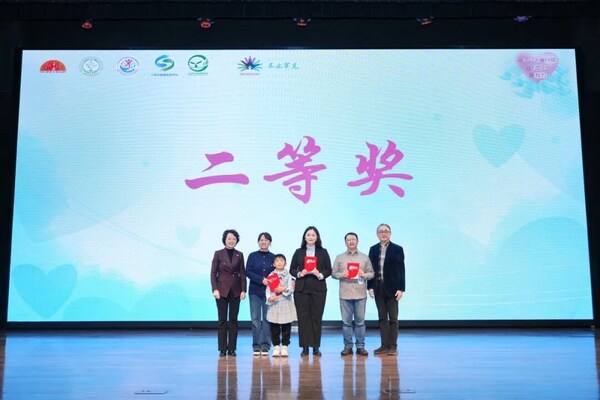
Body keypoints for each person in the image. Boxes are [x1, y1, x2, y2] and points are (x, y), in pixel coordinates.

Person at [289, 226, 332, 357]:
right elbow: (292, 269)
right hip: (301, 289)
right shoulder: (299, 252)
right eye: (308, 235)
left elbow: (329, 270)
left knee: (316, 318)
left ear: (317, 237)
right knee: (303, 318)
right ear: (304, 237)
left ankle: (316, 347)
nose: (311, 237)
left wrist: (320, 274)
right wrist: (299, 273)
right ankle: (305, 347)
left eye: (313, 235)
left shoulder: (323, 252)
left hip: (318, 289)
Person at [332, 232, 374, 356]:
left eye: (353, 239)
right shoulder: (340, 257)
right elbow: (333, 273)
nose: (351, 241)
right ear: (345, 242)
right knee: (346, 323)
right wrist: (342, 274)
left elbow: (371, 273)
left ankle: (360, 346)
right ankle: (348, 346)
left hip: (360, 294)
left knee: (360, 322)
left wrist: (364, 275)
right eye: (348, 240)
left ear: (357, 241)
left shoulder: (364, 257)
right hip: (345, 294)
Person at [367, 223, 405, 356]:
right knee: (382, 318)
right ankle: (384, 345)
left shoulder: (397, 249)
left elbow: (401, 270)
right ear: (377, 234)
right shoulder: (373, 249)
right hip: (378, 288)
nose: (383, 233)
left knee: (393, 319)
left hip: (393, 289)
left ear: (390, 233)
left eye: (386, 231)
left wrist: (401, 288)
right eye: (381, 231)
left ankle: (393, 346)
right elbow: (370, 269)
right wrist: (370, 286)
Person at [211, 229, 246, 357]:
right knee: (222, 320)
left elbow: (242, 273)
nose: (231, 241)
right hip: (221, 290)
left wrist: (243, 290)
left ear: (237, 241)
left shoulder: (239, 254)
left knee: (233, 320)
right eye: (229, 238)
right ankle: (222, 348)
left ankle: (232, 348)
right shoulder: (218, 254)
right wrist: (215, 289)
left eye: (234, 239)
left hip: (236, 291)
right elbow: (213, 273)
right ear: (224, 240)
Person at [245, 232, 275, 356]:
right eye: (261, 240)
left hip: (269, 293)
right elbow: (248, 271)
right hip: (255, 292)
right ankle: (256, 345)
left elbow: (277, 273)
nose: (264, 242)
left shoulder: (273, 257)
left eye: (266, 240)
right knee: (255, 319)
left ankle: (266, 345)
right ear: (258, 242)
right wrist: (261, 280)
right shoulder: (252, 256)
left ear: (270, 242)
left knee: (267, 319)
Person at [265, 254, 297, 357]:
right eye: (277, 261)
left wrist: (284, 290)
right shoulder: (271, 275)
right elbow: (267, 289)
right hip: (275, 303)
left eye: (281, 260)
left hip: (286, 302)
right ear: (274, 264)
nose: (279, 262)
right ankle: (276, 347)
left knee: (286, 327)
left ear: (285, 263)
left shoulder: (289, 276)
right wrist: (269, 297)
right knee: (274, 327)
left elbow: (291, 289)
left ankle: (285, 347)